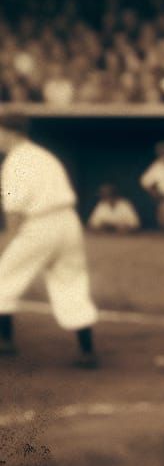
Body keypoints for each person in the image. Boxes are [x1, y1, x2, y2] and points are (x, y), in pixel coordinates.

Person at [0, 115, 100, 367]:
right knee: (71, 281)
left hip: (39, 225)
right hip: (68, 222)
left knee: (4, 276)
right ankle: (87, 350)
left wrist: (8, 241)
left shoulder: (15, 161)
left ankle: (4, 341)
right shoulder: (45, 156)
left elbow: (14, 209)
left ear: (10, 132)